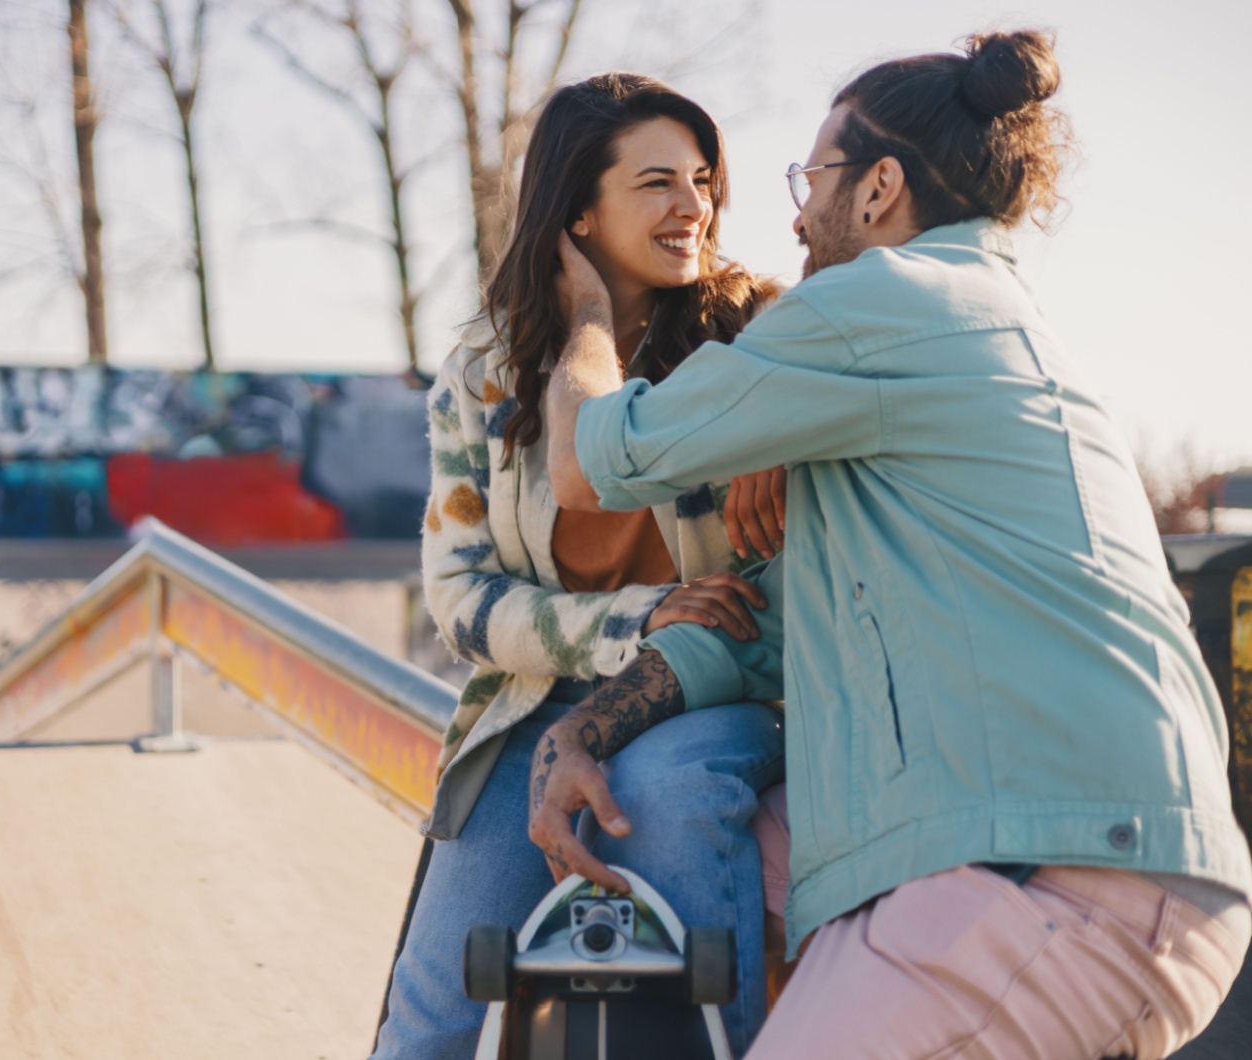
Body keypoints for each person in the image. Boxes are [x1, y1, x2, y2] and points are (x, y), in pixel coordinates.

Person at [531, 29, 1252, 1060]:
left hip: (1048, 875)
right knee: (658, 816)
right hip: (1051, 862)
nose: (791, 210)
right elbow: (765, 627)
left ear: (876, 189)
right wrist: (586, 730)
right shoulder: (968, 329)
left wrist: (587, 318)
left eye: (811, 175)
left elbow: (594, 459)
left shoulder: (884, 303)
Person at [371, 73, 789, 1058]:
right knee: (432, 1010)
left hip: (715, 695)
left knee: (673, 828)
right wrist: (636, 619)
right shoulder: (484, 367)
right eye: (656, 182)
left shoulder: (761, 336)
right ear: (576, 209)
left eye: (701, 179)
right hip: (532, 703)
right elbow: (461, 598)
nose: (694, 206)